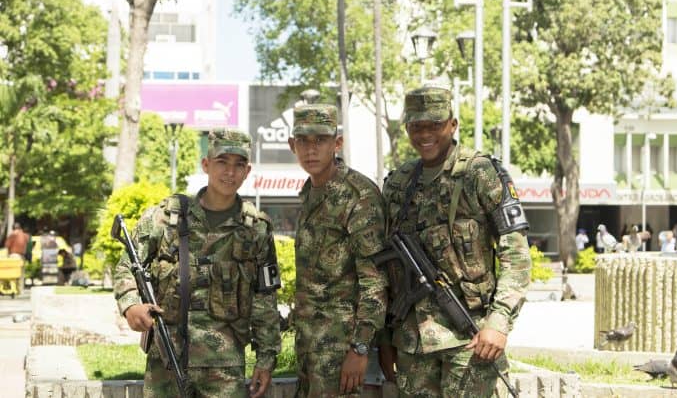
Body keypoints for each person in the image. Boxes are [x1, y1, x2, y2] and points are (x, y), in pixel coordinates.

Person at [379, 87, 531, 397]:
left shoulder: (480, 173)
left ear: (453, 124)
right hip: (412, 343)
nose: (425, 134)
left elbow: (515, 254)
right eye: (416, 126)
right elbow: (385, 270)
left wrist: (499, 321)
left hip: (471, 339)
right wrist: (385, 338)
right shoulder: (398, 183)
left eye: (434, 124)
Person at [113, 128, 281, 398]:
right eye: (222, 162)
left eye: (239, 165)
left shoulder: (256, 228)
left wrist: (266, 359)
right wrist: (131, 305)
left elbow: (265, 298)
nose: (230, 172)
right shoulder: (166, 218)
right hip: (166, 360)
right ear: (206, 164)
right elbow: (126, 267)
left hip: (224, 370)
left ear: (248, 171)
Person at [287, 104, 388, 397]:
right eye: (303, 141)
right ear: (293, 145)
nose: (311, 149)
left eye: (320, 140)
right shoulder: (310, 193)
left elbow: (375, 281)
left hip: (341, 350)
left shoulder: (358, 196)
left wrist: (359, 348)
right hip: (310, 348)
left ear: (337, 143)